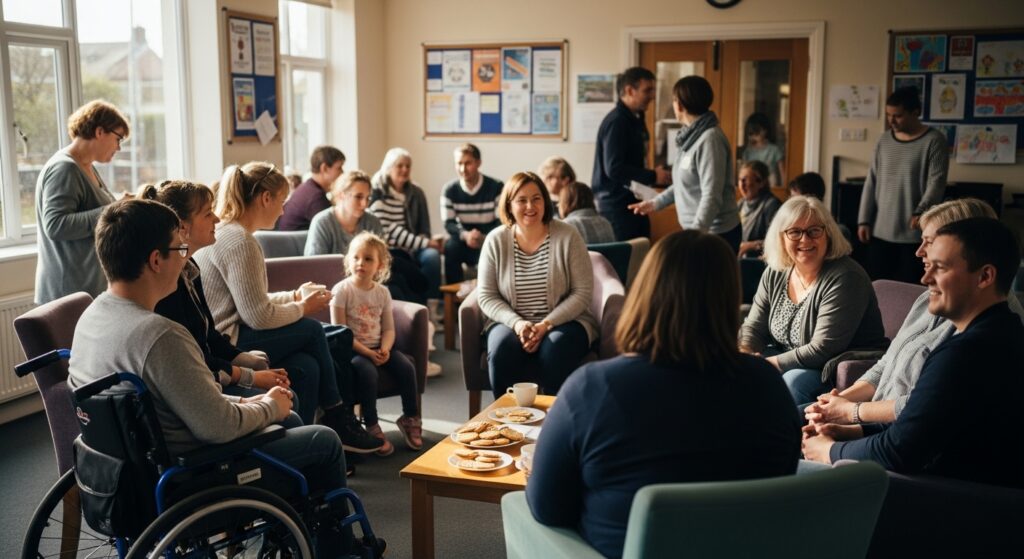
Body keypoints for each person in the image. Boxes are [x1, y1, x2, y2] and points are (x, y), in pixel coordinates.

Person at [67, 199, 362, 556]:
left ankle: (291, 534)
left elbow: (176, 399)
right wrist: (268, 406)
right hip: (194, 474)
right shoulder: (160, 335)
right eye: (179, 248)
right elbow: (216, 427)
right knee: (324, 441)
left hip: (126, 474)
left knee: (294, 417)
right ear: (156, 260)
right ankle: (337, 550)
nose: (185, 258)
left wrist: (244, 400)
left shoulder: (92, 317)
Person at [527, 230, 801, 558]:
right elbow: (782, 484)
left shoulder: (592, 389)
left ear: (646, 293)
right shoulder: (769, 387)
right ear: (729, 300)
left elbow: (548, 509)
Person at [803, 218, 1024, 489]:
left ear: (985, 277)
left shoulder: (967, 353)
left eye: (939, 268)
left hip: (953, 501)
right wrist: (852, 432)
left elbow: (898, 451)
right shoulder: (1003, 330)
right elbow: (925, 423)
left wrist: (827, 452)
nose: (925, 278)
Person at [193, 161, 382, 453]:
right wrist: (303, 308)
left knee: (308, 367)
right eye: (281, 201)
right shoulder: (241, 241)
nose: (283, 211)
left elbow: (253, 301)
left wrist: (295, 295)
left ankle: (305, 446)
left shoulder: (233, 234)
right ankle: (336, 414)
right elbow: (257, 315)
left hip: (231, 331)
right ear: (265, 198)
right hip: (228, 340)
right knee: (311, 330)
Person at [739, 195, 886, 407]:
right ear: (781, 237)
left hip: (832, 367)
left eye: (814, 231)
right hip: (784, 357)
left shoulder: (845, 276)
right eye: (794, 232)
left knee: (791, 382)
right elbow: (754, 326)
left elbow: (823, 348)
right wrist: (745, 356)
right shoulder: (775, 271)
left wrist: (767, 364)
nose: (805, 240)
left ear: (828, 234)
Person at [144, 181, 286, 398]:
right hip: (201, 383)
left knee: (304, 368)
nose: (217, 219)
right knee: (309, 341)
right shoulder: (167, 285)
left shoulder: (190, 267)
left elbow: (209, 334)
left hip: (213, 371)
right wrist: (250, 376)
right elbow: (196, 360)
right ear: (183, 227)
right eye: (208, 213)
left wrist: (243, 359)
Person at [477, 172, 597, 398]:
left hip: (565, 321)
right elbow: (486, 295)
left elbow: (582, 293)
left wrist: (546, 324)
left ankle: (555, 423)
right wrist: (518, 323)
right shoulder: (495, 240)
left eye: (536, 198)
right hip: (511, 322)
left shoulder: (568, 235)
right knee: (502, 349)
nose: (530, 206)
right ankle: (509, 422)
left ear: (545, 201)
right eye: (521, 200)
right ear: (509, 205)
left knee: (555, 349)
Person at [330, 232, 422, 456]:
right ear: (349, 260)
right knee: (368, 373)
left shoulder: (382, 293)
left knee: (407, 367)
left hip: (380, 347)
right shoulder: (341, 291)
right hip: (354, 350)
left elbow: (389, 328)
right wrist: (368, 354)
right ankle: (371, 425)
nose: (360, 263)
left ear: (380, 266)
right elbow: (340, 333)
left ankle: (410, 417)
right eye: (356, 258)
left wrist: (386, 349)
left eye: (368, 259)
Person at [629, 76, 741, 252]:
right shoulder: (690, 137)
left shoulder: (710, 139)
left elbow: (711, 195)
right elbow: (682, 184)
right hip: (700, 232)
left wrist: (694, 235)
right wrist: (655, 203)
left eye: (674, 100)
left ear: (679, 105)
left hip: (715, 235)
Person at [34, 100, 130, 304]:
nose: (119, 147)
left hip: (85, 289)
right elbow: (55, 225)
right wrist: (114, 209)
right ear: (100, 132)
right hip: (68, 295)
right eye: (118, 138)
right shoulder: (64, 169)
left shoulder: (86, 166)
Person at [858, 86, 949, 284]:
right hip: (880, 233)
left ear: (915, 113)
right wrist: (864, 220)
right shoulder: (883, 140)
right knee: (877, 289)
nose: (891, 121)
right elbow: (871, 180)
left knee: (911, 292)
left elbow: (937, 182)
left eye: (897, 116)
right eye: (888, 115)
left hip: (914, 237)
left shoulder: (934, 141)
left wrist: (921, 211)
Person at [591, 67, 672, 241]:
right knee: (628, 262)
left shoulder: (635, 119)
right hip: (618, 208)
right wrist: (652, 175)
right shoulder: (618, 122)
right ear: (629, 90)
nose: (653, 96)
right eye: (647, 90)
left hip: (632, 202)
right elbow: (613, 168)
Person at [368, 148, 443, 301]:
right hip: (390, 247)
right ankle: (417, 305)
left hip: (415, 246)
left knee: (432, 257)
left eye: (408, 166)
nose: (405, 169)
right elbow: (388, 231)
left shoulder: (416, 192)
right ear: (389, 167)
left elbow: (424, 228)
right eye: (400, 165)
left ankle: (433, 304)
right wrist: (428, 242)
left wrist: (425, 242)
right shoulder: (376, 193)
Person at [441, 143, 503, 284]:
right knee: (450, 247)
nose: (463, 169)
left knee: (501, 244)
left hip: (489, 239)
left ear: (478, 163)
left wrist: (484, 237)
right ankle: (454, 295)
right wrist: (466, 235)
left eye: (468, 163)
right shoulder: (449, 190)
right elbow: (449, 224)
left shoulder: (497, 187)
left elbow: (501, 221)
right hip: (465, 240)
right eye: (459, 164)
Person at [277, 146, 345, 231]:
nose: (342, 172)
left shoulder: (307, 188)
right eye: (339, 168)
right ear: (324, 168)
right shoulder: (316, 197)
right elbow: (335, 229)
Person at [737, 160, 782, 257]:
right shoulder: (740, 204)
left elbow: (779, 240)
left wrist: (750, 246)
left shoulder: (772, 205)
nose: (741, 185)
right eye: (740, 180)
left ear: (761, 182)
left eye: (745, 180)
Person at [740, 112, 785, 187]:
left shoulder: (774, 150)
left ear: (765, 130)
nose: (754, 136)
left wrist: (784, 189)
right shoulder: (748, 152)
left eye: (757, 132)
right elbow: (743, 173)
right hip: (752, 186)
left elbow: (783, 173)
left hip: (771, 185)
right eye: (751, 133)